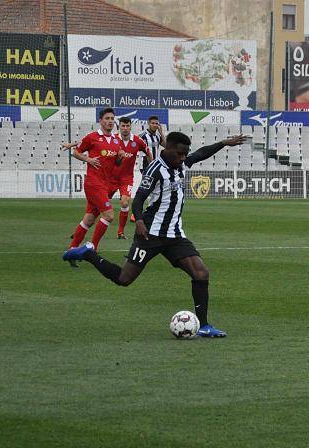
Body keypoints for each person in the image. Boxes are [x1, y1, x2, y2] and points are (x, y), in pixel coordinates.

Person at [62, 131, 247, 338]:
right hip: (150, 234)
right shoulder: (155, 169)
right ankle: (89, 253)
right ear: (167, 150)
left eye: (185, 154)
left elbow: (201, 153)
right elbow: (140, 198)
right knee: (124, 279)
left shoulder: (181, 165)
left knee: (201, 273)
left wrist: (223, 142)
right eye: (180, 154)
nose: (183, 158)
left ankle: (203, 325)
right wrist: (139, 220)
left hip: (175, 235)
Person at [62, 108, 121, 259]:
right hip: (94, 183)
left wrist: (120, 157)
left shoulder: (116, 140)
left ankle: (71, 250)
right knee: (109, 216)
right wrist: (88, 159)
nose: (110, 121)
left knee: (88, 220)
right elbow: (76, 152)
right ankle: (92, 248)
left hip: (106, 184)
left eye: (112, 118)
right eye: (107, 118)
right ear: (100, 120)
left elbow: (117, 163)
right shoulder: (92, 137)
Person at [112, 117, 152, 239]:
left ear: (130, 126)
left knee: (125, 203)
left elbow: (148, 152)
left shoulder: (137, 141)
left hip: (126, 178)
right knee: (98, 207)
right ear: (119, 127)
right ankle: (81, 229)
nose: (125, 128)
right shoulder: (113, 139)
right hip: (110, 178)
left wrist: (152, 167)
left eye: (127, 126)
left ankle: (120, 232)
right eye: (123, 126)